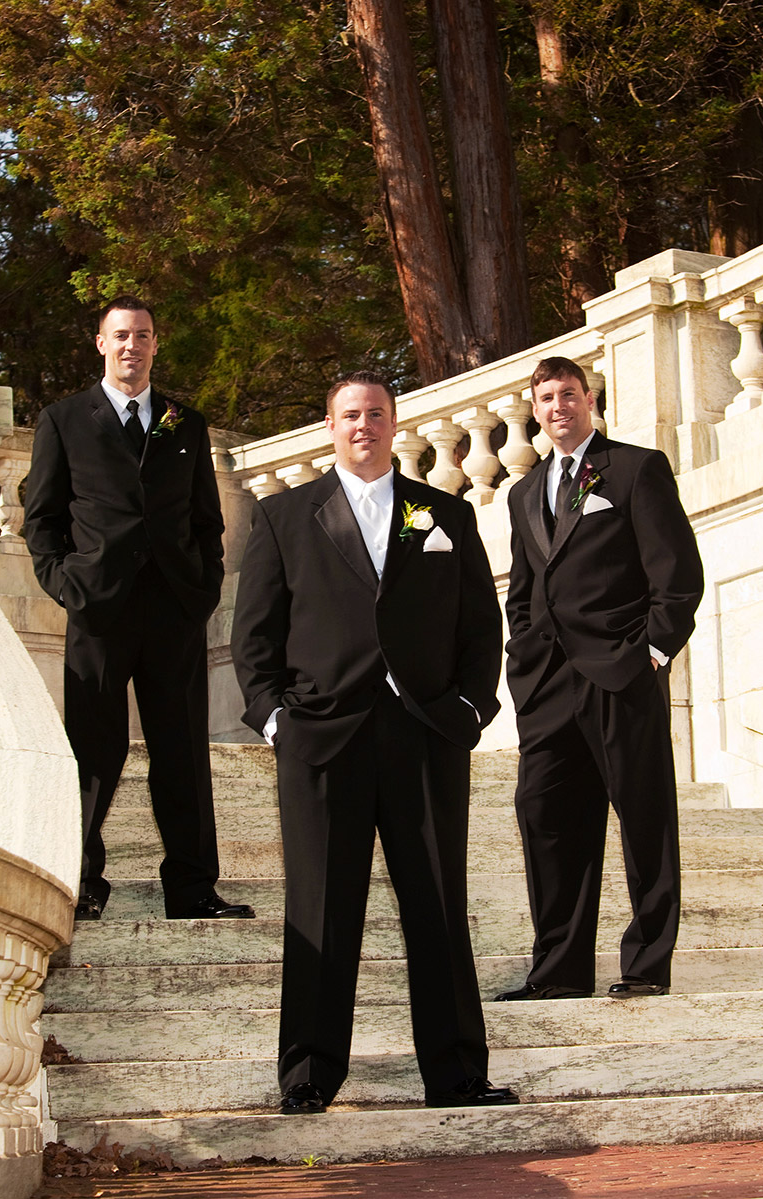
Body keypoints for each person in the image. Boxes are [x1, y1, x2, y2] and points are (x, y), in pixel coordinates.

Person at [231, 371, 514, 1114]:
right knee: (320, 907)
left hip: (425, 738)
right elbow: (252, 638)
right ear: (330, 426)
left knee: (437, 905)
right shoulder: (283, 516)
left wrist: (466, 709)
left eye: (376, 414)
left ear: (394, 424)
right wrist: (274, 722)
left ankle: (455, 1075)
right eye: (350, 414)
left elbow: (481, 628)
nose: (364, 425)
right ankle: (307, 1075)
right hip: (320, 740)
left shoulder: (443, 512)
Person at [24, 296, 247, 922]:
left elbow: (207, 521)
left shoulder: (186, 423)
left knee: (182, 751)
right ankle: (81, 882)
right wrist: (68, 585)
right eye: (120, 335)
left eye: (142, 336)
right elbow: (41, 521)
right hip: (98, 611)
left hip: (175, 610)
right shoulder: (63, 420)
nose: (132, 346)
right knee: (93, 752)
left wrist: (202, 589)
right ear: (100, 343)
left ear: (156, 344)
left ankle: (193, 888)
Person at [496, 356, 703, 1002]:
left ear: (588, 399)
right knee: (545, 815)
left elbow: (677, 579)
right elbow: (523, 591)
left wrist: (650, 654)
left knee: (643, 819)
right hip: (547, 688)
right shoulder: (523, 492)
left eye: (567, 394)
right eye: (545, 397)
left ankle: (644, 963)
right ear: (534, 410)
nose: (557, 406)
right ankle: (556, 970)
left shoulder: (635, 470)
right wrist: (523, 657)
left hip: (621, 675)